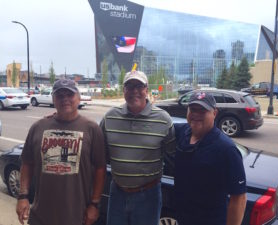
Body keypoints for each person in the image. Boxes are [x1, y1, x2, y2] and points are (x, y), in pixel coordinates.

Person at [16, 79, 106, 225]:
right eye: (60, 95)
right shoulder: (38, 127)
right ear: (53, 99)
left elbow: (100, 169)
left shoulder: (91, 129)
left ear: (78, 97)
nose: (65, 99)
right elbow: (27, 163)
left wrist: (94, 204)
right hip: (41, 216)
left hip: (77, 216)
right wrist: (23, 196)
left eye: (69, 95)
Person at [100, 70, 175, 225]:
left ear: (146, 90)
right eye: (130, 86)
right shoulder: (110, 117)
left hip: (149, 195)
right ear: (124, 90)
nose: (134, 91)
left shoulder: (163, 119)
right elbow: (97, 149)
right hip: (117, 192)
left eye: (139, 86)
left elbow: (172, 155)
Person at [174, 91, 247, 225]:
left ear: (214, 113)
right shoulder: (183, 132)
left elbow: (239, 198)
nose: (196, 114)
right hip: (183, 219)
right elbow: (159, 126)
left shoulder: (226, 149)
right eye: (193, 109)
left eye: (202, 111)